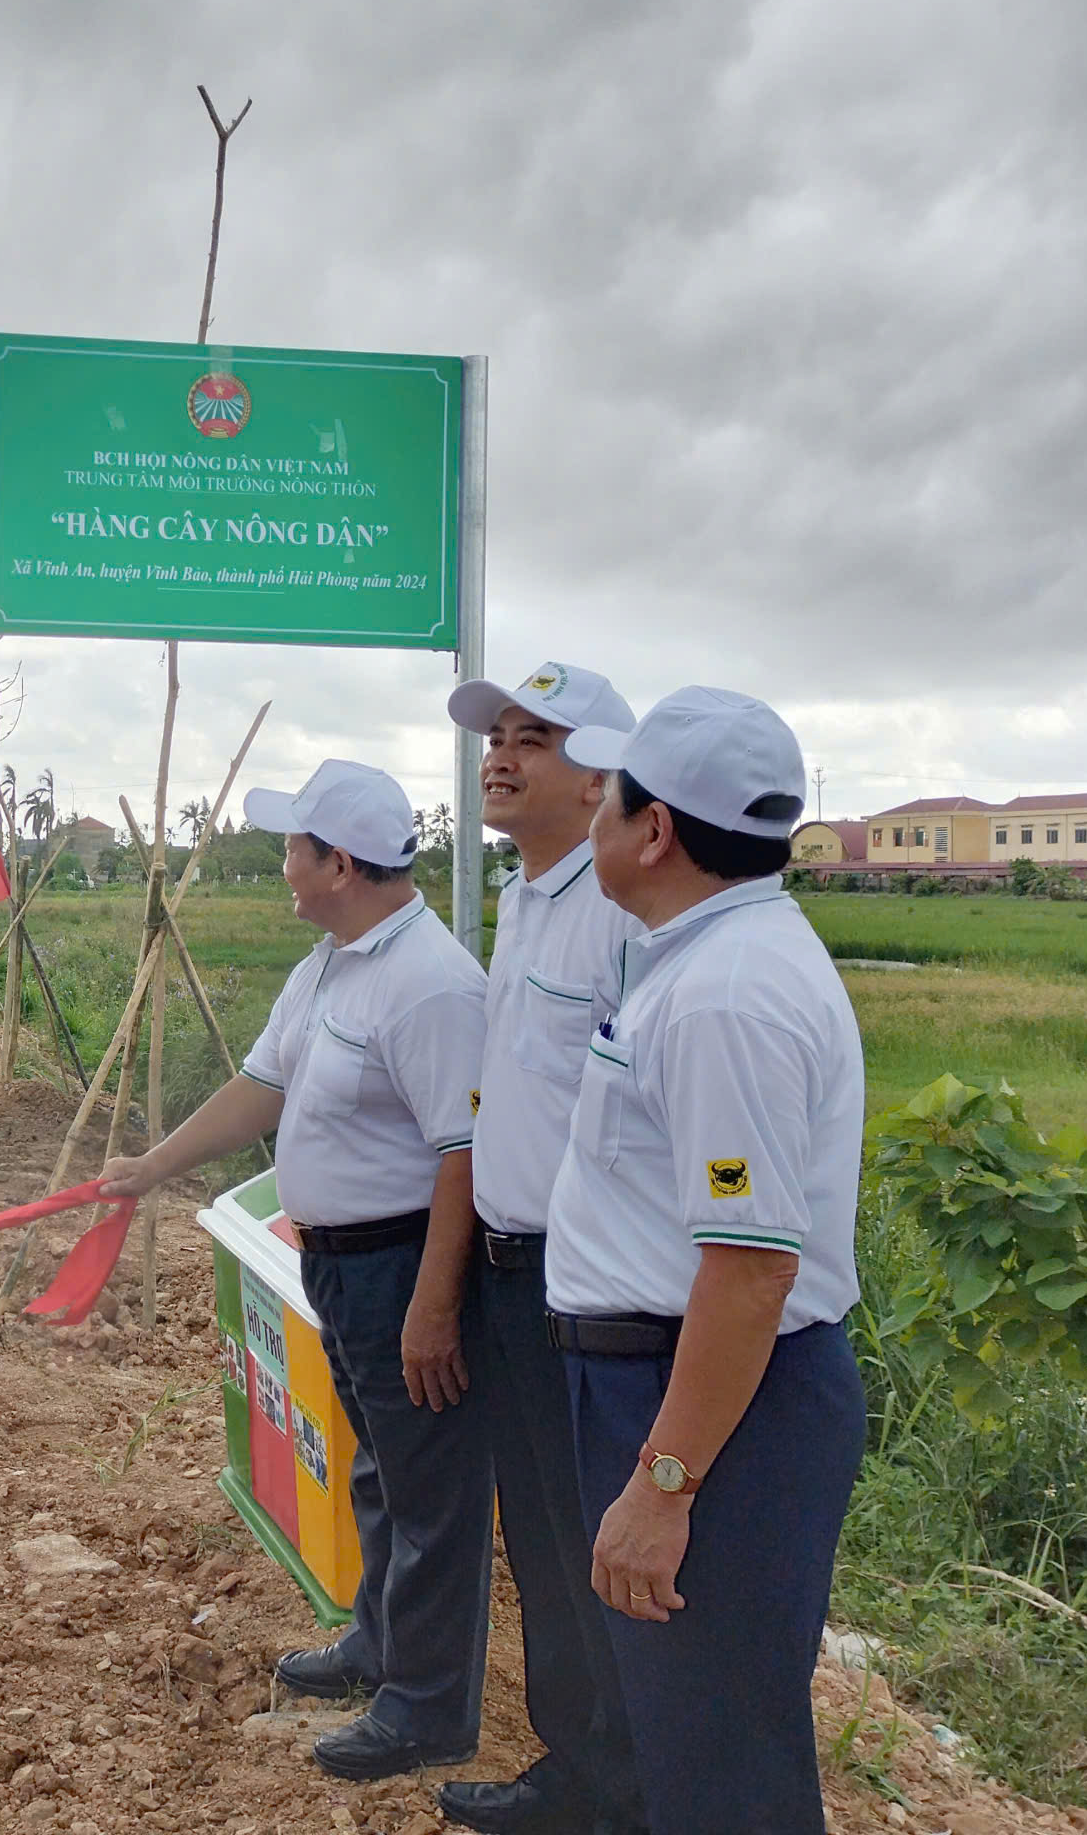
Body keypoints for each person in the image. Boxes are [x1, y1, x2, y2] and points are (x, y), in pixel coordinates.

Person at [101, 759, 491, 1783]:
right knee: (381, 1469)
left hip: (404, 1266)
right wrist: (151, 1166)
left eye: (292, 849)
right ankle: (380, 1644)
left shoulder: (433, 985)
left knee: (430, 1491)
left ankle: (429, 1708)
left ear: (341, 865)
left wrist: (434, 1306)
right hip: (339, 1269)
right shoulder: (329, 965)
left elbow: (466, 1156)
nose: (282, 866)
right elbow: (259, 1090)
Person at [545, 688, 867, 1834]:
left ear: (654, 831)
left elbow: (749, 1271)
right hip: (673, 1384)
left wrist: (663, 1485)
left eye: (606, 796)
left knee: (721, 1752)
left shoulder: (726, 997)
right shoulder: (697, 960)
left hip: (712, 1406)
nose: (590, 814)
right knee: (682, 1731)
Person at [427, 664, 648, 1835]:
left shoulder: (623, 912)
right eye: (495, 737)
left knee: (597, 1547)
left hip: (591, 1288)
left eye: (534, 739)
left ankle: (631, 1791)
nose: (499, 757)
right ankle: (579, 1772)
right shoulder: (523, 900)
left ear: (601, 774)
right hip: (512, 1274)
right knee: (546, 1543)